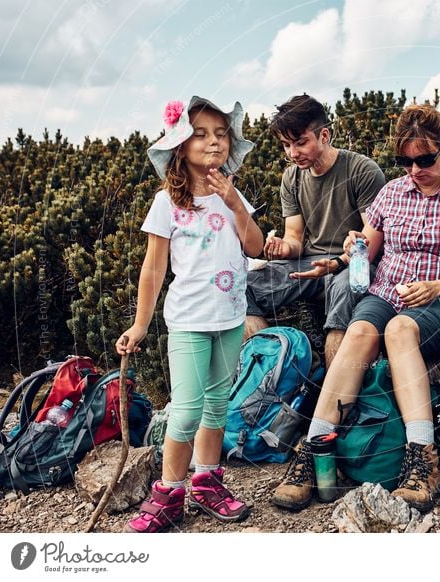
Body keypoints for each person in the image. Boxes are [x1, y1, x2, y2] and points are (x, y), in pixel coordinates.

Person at [272, 104, 440, 513]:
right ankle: (315, 449)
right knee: (358, 333)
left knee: (399, 331)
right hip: (386, 290)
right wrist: (339, 260)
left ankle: (422, 459)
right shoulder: (391, 193)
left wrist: (438, 285)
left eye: (424, 159)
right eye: (405, 161)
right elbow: (366, 250)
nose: (414, 169)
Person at [116, 96, 263, 533]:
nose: (214, 142)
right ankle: (169, 492)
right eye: (201, 134)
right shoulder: (168, 203)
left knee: (217, 406)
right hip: (188, 322)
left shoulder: (232, 197)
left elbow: (254, 247)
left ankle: (207, 481)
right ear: (180, 145)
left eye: (221, 134)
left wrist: (236, 204)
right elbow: (154, 267)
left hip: (231, 319)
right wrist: (140, 325)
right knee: (185, 410)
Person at [244, 94, 386, 368]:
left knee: (345, 291)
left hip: (352, 266)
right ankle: (273, 373)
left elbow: (371, 241)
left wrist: (335, 264)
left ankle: (335, 399)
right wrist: (283, 248)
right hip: (310, 265)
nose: (292, 153)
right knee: (242, 285)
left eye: (300, 143)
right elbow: (295, 238)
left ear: (324, 135)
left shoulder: (362, 170)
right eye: (286, 145)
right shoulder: (292, 178)